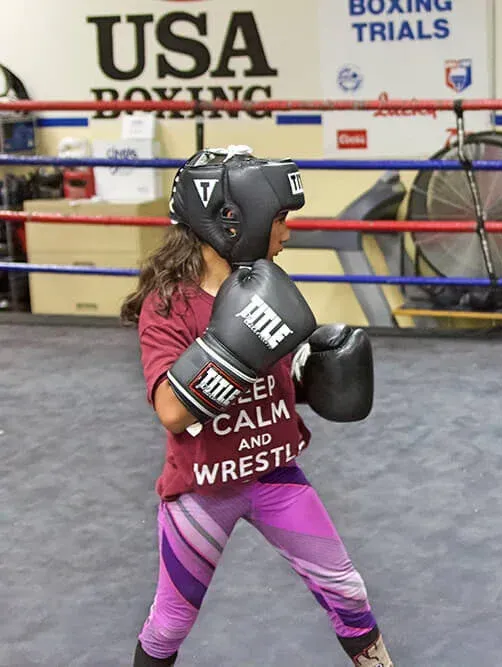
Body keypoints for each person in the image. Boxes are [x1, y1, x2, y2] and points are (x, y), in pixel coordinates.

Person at [119, 146, 394, 667]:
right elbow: (172, 412)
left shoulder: (264, 285)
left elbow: (277, 374)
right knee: (170, 623)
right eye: (280, 219)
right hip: (203, 486)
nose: (287, 232)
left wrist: (312, 371)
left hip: (273, 472)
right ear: (230, 220)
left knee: (348, 591)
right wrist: (231, 346)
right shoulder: (169, 305)